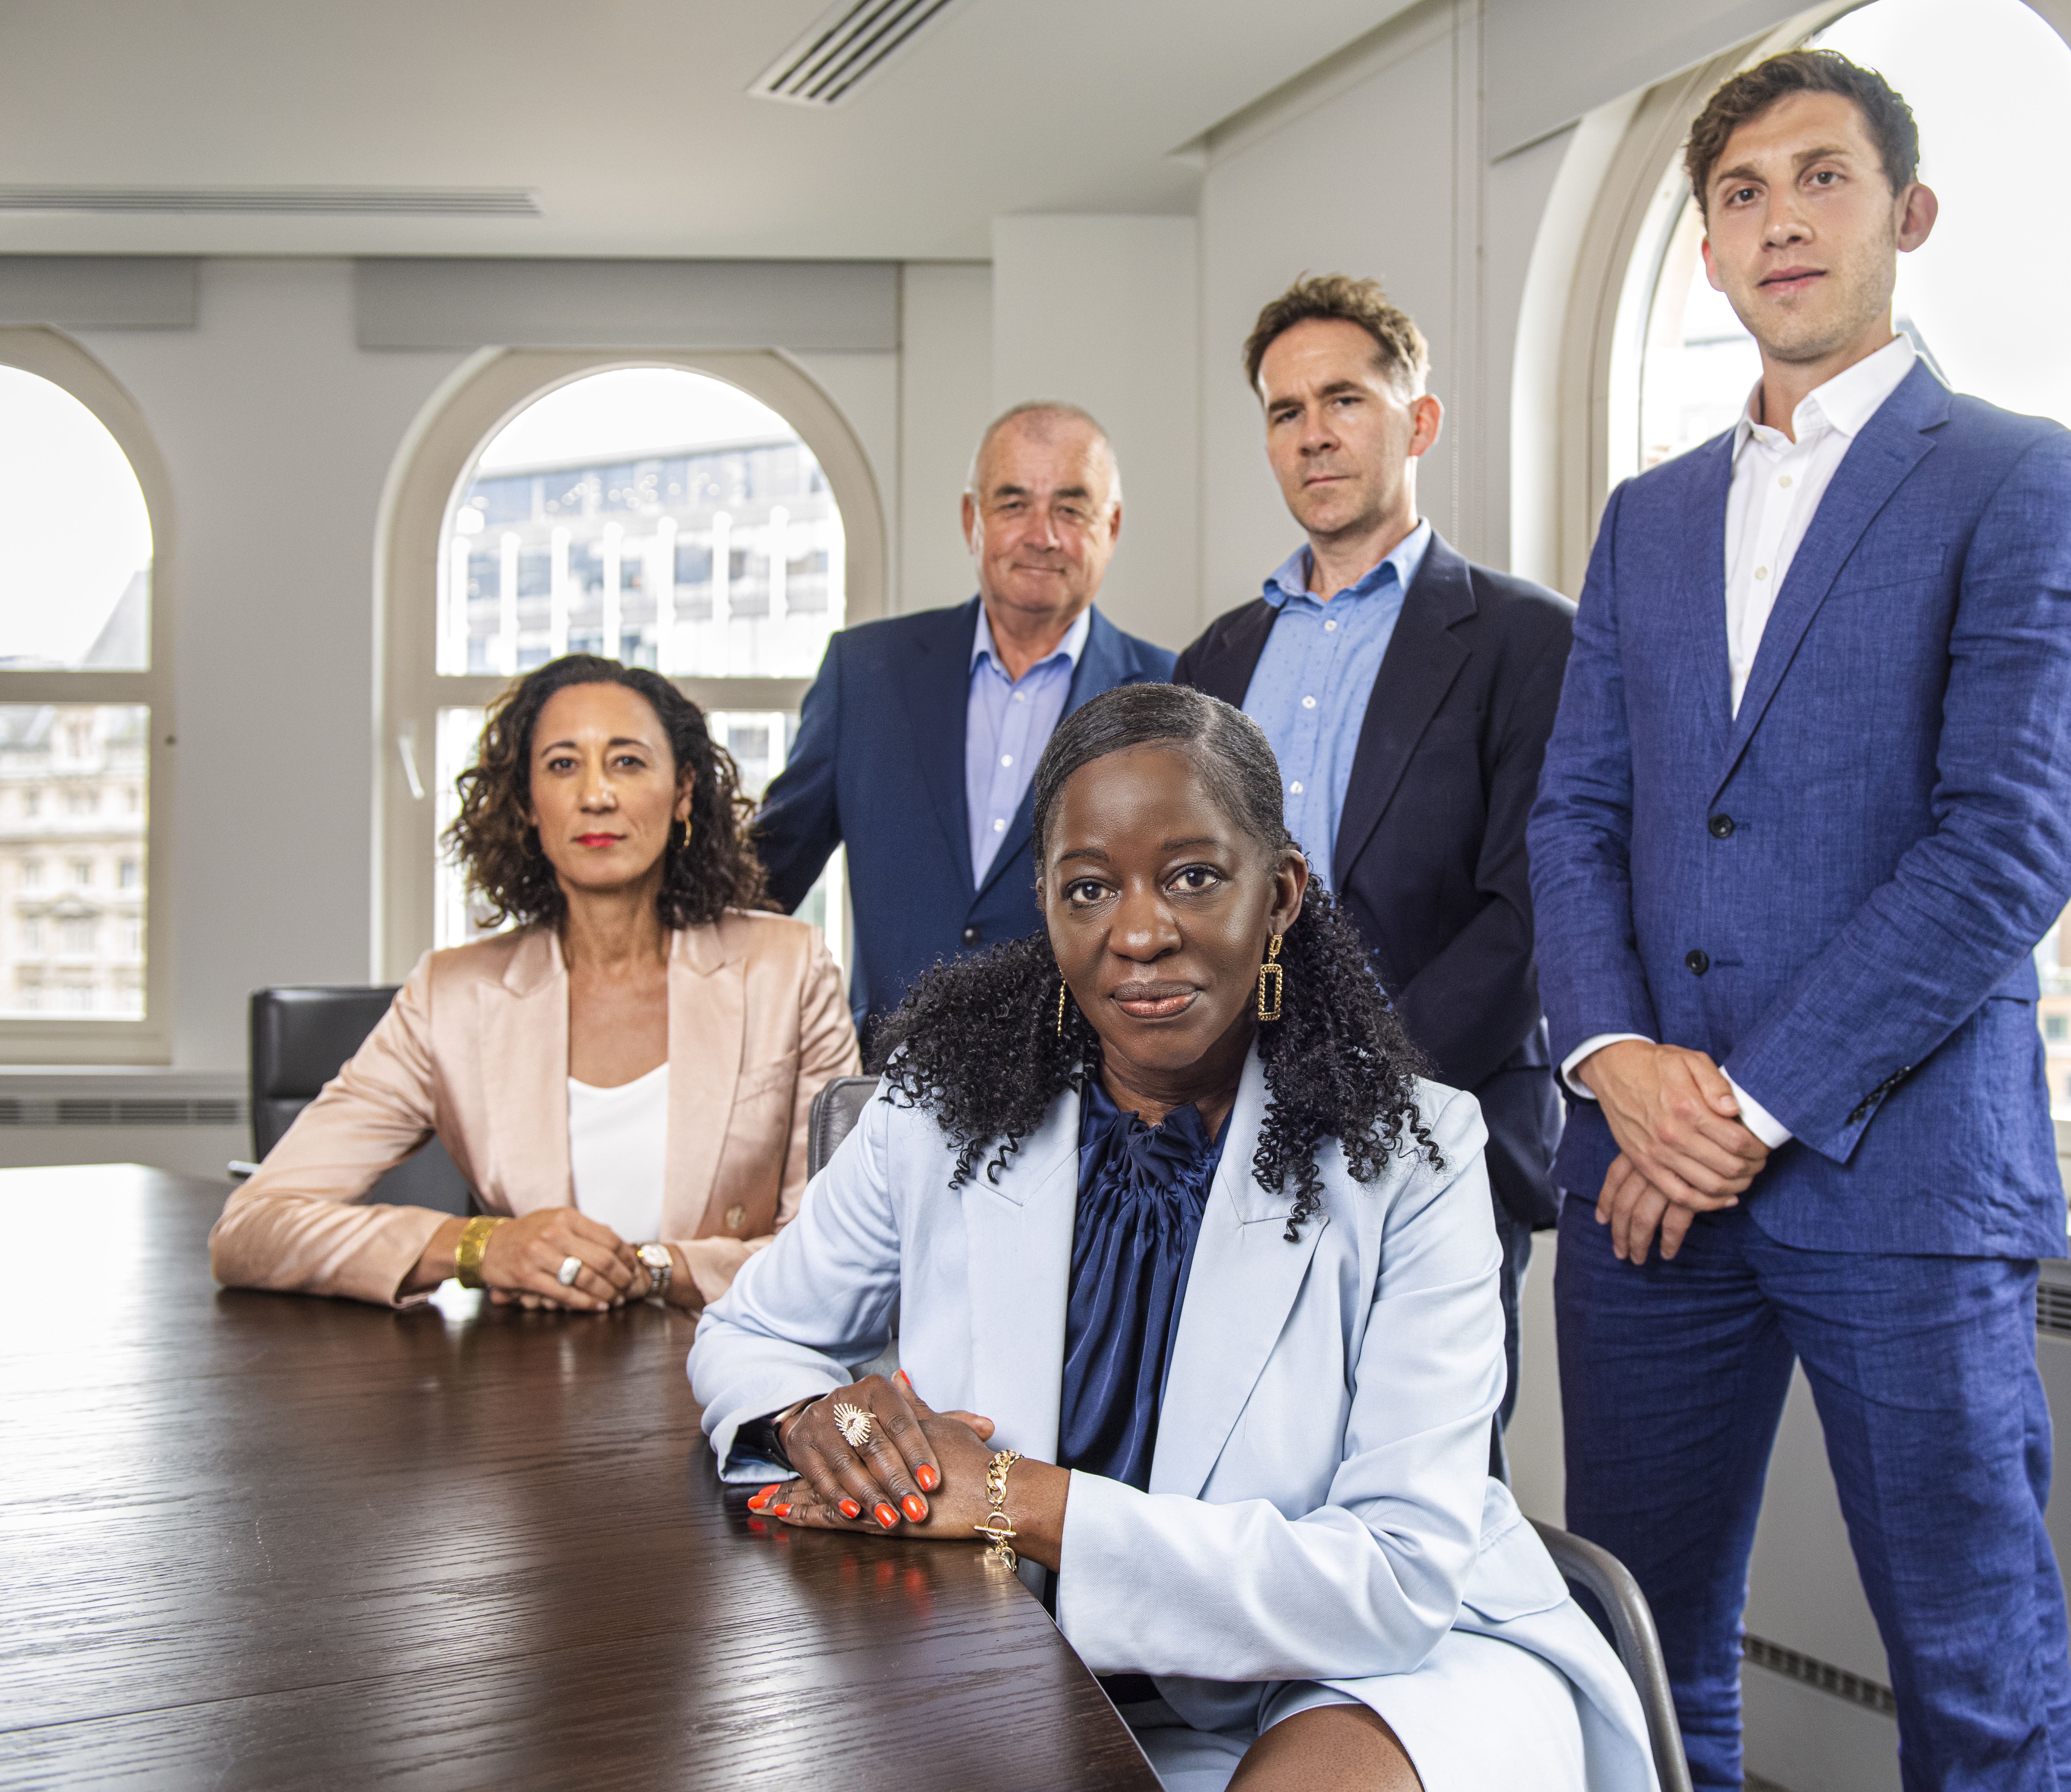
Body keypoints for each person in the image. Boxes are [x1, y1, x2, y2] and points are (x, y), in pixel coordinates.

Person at [690, 684, 1656, 1792]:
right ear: (1045, 905)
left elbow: (1389, 1580)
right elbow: (751, 1334)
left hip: (1368, 1662)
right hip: (1009, 1659)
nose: (1140, 933)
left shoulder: (1416, 1156)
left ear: (1280, 893)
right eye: (1089, 888)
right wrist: (817, 1419)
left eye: (1193, 877)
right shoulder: (935, 1108)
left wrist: (1012, 1496)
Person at [1529, 50, 2071, 1792]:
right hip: (1638, 1189)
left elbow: (2004, 846)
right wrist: (1613, 1058)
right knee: (1637, 1665)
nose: (1778, 219)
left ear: (1906, 213)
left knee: (1976, 1676)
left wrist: (1734, 1107)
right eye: (1738, 194)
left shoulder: (2025, 479)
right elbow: (1573, 815)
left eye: (1820, 178)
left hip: (1906, 1179)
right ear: (1710, 250)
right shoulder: (1645, 520)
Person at [1178, 275, 1573, 1429]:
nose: (1314, 434)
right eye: (1285, 410)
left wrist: (1355, 1085)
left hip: (1438, 1134)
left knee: (1429, 1487)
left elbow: (1532, 911)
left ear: (1420, 420)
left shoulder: (1528, 640)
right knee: (1234, 1472)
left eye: (1344, 399)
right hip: (1228, 1144)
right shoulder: (1214, 659)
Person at [211, 655, 857, 1313]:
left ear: (683, 791)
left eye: (627, 762)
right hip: (531, 1368)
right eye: (563, 764)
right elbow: (251, 1228)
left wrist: (655, 1270)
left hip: (735, 1360)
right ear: (527, 803)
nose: (596, 795)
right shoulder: (451, 997)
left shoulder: (789, 968)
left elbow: (841, 1251)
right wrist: (479, 1246)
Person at [749, 401, 1175, 1036]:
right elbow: (767, 877)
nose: (1042, 535)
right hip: (891, 1071)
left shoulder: (1171, 694)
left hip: (1088, 1079)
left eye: (1070, 509)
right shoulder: (864, 673)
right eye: (1014, 504)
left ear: (1110, 527)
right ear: (972, 519)